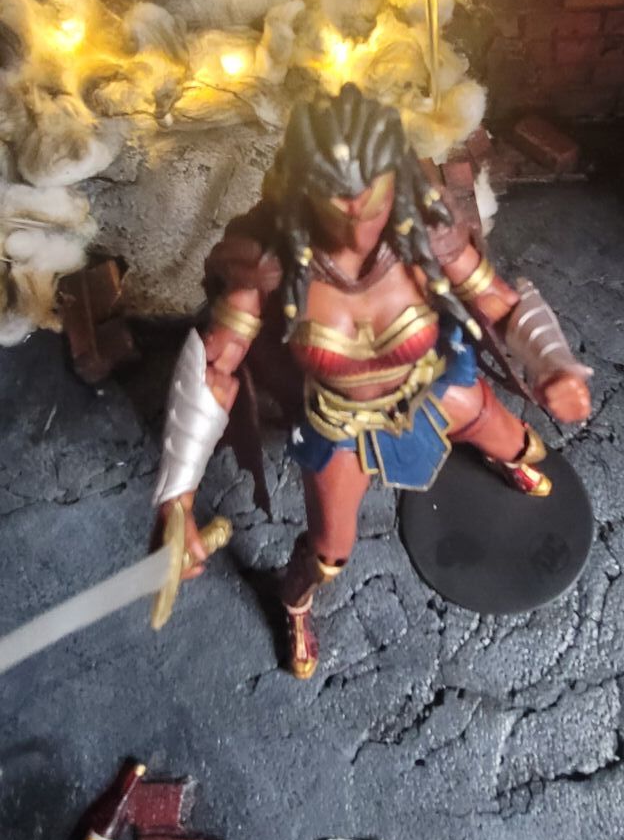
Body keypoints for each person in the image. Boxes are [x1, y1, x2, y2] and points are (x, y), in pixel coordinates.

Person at [153, 85, 592, 678]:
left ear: (395, 178)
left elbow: (501, 302)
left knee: (519, 442)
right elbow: (214, 367)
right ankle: (295, 602)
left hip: (435, 389)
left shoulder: (425, 234)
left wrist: (554, 363)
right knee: (329, 552)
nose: (355, 212)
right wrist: (177, 497)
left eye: (370, 193)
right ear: (303, 187)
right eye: (335, 196)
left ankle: (502, 458)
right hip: (340, 426)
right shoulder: (270, 264)